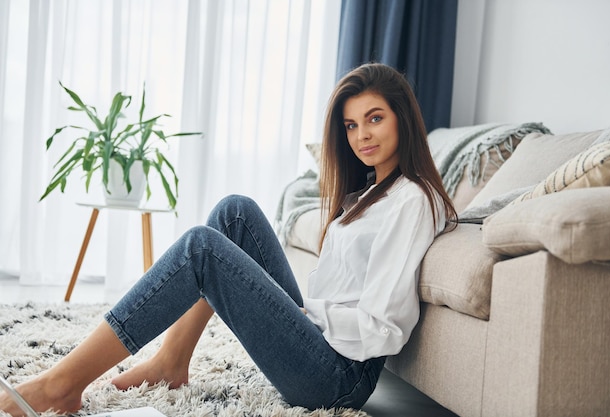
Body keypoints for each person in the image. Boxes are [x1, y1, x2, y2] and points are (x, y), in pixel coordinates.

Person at [0, 63, 457, 416]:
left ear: (403, 118)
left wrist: (308, 315)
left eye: (374, 118)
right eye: (351, 125)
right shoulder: (376, 191)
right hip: (320, 340)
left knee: (202, 248)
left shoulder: (411, 201)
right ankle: (171, 361)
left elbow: (386, 327)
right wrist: (305, 314)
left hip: (338, 376)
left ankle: (61, 384)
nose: (361, 136)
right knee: (234, 212)